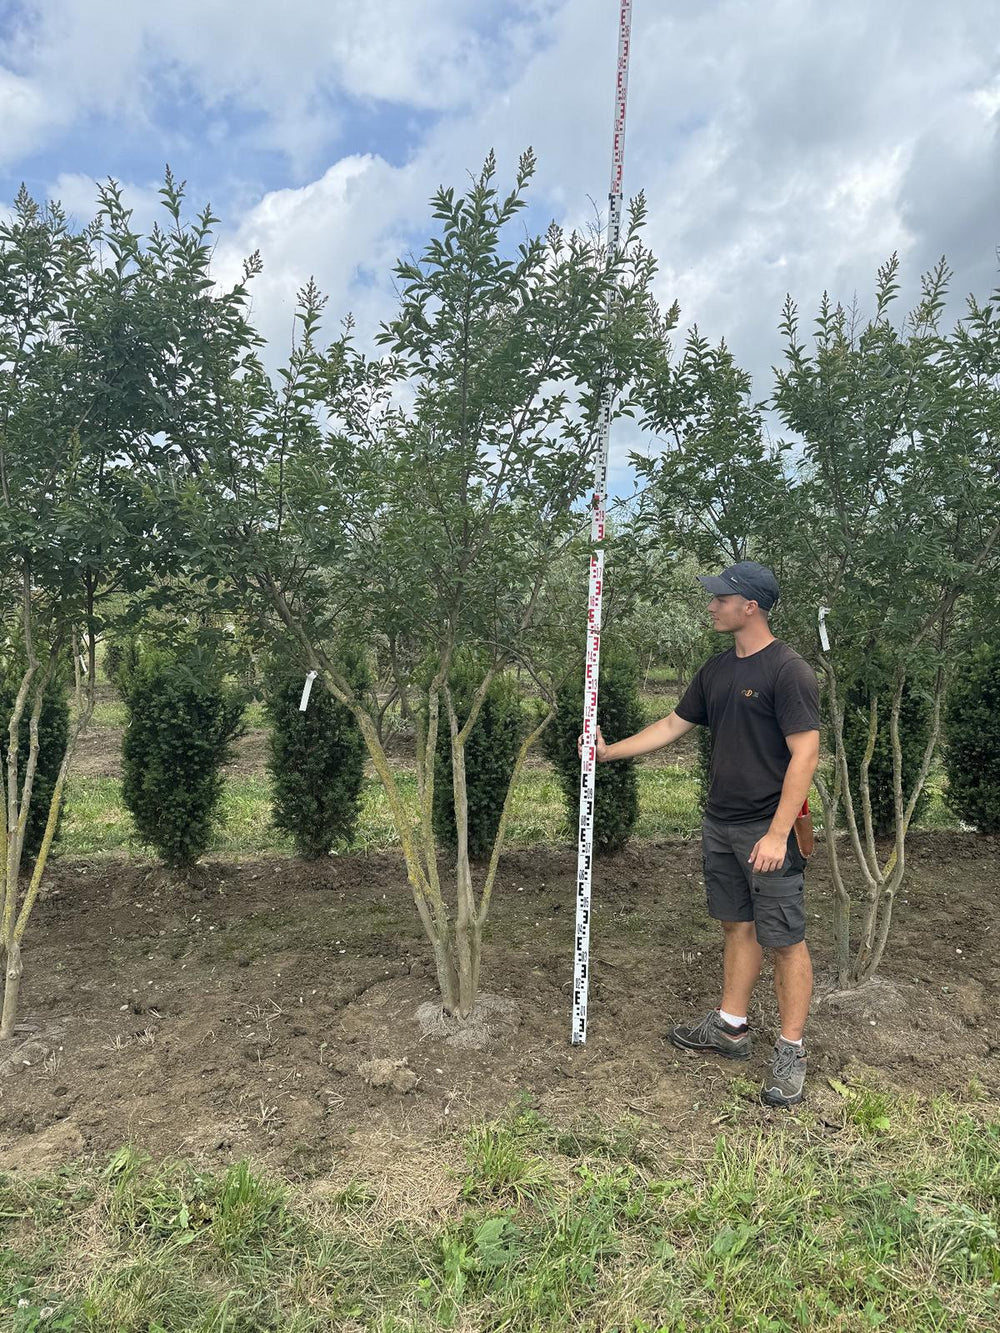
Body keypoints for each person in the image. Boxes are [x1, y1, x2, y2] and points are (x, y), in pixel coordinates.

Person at [580, 561, 820, 1106]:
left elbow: (806, 753)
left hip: (768, 829)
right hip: (721, 823)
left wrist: (779, 833)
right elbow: (672, 725)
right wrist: (608, 752)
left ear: (750, 606)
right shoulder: (716, 671)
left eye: (720, 599)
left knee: (784, 939)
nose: (711, 606)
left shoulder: (789, 671)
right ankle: (730, 1028)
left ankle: (790, 1051)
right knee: (738, 927)